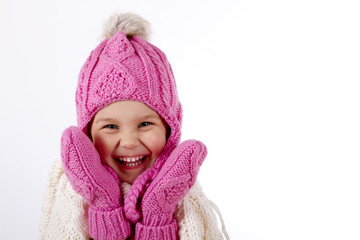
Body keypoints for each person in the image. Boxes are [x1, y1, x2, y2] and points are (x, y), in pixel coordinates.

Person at [39, 12, 229, 240]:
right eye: (110, 127)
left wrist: (158, 213)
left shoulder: (183, 192)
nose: (128, 141)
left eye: (145, 124)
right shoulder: (72, 198)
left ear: (170, 128)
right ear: (87, 133)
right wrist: (103, 203)